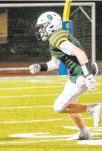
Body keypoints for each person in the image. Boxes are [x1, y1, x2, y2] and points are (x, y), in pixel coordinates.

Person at [29, 11, 101, 140]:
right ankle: (84, 133)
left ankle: (92, 108)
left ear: (51, 25)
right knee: (71, 105)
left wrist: (88, 76)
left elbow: (80, 53)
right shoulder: (56, 37)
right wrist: (39, 67)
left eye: (42, 27)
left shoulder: (57, 38)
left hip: (80, 76)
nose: (40, 30)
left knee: (59, 107)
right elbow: (54, 64)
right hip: (77, 75)